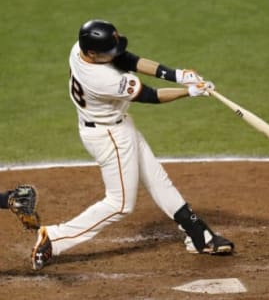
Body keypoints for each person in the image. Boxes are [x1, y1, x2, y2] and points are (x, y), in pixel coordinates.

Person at [31, 19, 234, 271]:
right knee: (120, 204)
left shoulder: (81, 49)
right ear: (93, 54)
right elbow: (151, 96)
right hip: (110, 137)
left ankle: (198, 235)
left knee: (157, 178)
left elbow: (127, 59)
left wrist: (177, 75)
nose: (114, 53)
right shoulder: (101, 78)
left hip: (115, 125)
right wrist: (189, 91)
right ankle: (55, 237)